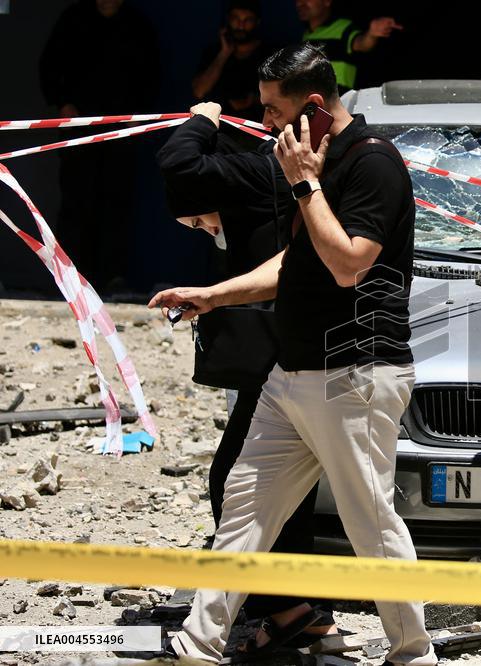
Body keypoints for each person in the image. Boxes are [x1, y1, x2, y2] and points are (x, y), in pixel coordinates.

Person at [150, 44, 435, 665]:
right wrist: (213, 295)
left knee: (370, 522)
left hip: (354, 374)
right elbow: (294, 263)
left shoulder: (371, 163)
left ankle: (413, 652)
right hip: (292, 373)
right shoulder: (315, 165)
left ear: (311, 104)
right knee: (245, 505)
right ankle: (197, 644)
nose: (268, 125)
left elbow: (347, 264)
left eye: (275, 111)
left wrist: (305, 183)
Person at [156, 101, 338, 651]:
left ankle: (289, 610)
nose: (202, 228)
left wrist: (204, 117)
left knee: (237, 482)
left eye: (270, 105)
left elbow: (177, 161)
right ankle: (295, 613)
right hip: (299, 353)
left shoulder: (259, 169)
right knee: (289, 493)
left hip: (284, 357)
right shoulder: (286, 178)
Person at [38, 0, 160, 290]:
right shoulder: (73, 19)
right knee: (76, 199)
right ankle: (69, 276)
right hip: (79, 125)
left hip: (121, 127)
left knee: (116, 200)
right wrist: (62, 103)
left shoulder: (137, 25)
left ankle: (111, 275)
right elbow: (50, 63)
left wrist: (138, 115)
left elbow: (151, 73)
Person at [296, 0, 402, 93]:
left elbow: (361, 43)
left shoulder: (343, 27)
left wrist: (371, 34)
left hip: (338, 100)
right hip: (313, 102)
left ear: (327, 1)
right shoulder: (305, 35)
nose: (300, 3)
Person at [192, 0, 271, 122]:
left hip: (256, 129)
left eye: (247, 20)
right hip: (218, 129)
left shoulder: (270, 53)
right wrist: (224, 53)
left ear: (257, 22)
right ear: (228, 19)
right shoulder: (215, 52)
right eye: (236, 18)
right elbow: (199, 91)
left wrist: (252, 100)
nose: (240, 25)